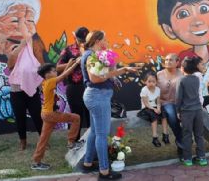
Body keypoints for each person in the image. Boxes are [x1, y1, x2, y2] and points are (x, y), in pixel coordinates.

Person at [81, 31, 139, 180]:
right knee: (102, 134)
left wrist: (120, 68)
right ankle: (104, 171)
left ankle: (87, 163)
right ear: (98, 40)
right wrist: (108, 71)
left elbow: (105, 74)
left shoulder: (94, 55)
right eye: (105, 39)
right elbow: (95, 79)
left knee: (95, 131)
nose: (107, 41)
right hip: (98, 97)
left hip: (97, 96)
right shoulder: (91, 56)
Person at [31, 60, 81, 170]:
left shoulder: (46, 82)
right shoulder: (50, 82)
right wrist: (75, 64)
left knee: (43, 139)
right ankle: (71, 142)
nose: (56, 72)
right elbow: (64, 75)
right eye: (54, 71)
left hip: (46, 113)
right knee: (76, 118)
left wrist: (68, 64)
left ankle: (36, 162)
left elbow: (61, 76)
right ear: (47, 74)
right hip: (50, 114)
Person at [57, 27, 90, 142]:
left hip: (91, 87)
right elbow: (57, 67)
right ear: (75, 38)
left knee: (91, 116)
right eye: (81, 40)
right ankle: (74, 143)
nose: (83, 42)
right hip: (74, 87)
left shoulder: (93, 50)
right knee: (76, 116)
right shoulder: (68, 50)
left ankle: (93, 143)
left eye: (85, 40)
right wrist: (73, 64)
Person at [176, 57, 207, 167]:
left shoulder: (182, 80)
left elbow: (179, 98)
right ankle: (202, 158)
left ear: (183, 69)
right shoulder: (196, 78)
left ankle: (188, 159)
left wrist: (177, 111)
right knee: (199, 134)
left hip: (186, 112)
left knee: (187, 135)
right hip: (198, 110)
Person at [157, 53, 184, 159]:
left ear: (177, 62)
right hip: (164, 102)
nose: (167, 62)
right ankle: (181, 142)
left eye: (171, 60)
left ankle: (183, 141)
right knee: (172, 115)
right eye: (166, 60)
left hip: (179, 103)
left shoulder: (182, 74)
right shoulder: (159, 74)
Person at [138, 72, 168, 147]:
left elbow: (158, 101)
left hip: (154, 106)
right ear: (145, 82)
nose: (151, 83)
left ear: (156, 82)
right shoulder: (144, 90)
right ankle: (155, 137)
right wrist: (154, 109)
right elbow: (146, 104)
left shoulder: (158, 89)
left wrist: (158, 108)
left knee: (164, 114)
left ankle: (165, 134)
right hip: (147, 108)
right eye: (149, 81)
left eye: (153, 81)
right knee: (153, 117)